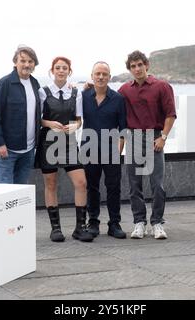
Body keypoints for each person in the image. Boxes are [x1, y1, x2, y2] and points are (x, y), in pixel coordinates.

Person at [118, 50, 176, 240]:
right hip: (133, 138)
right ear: (130, 69)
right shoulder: (125, 90)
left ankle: (157, 222)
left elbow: (170, 114)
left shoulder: (162, 86)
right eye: (133, 66)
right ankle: (139, 223)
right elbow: (110, 100)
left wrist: (163, 137)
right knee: (134, 185)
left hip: (155, 138)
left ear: (146, 65)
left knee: (157, 184)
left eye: (139, 65)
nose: (137, 69)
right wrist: (88, 87)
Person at [37, 56, 93, 243]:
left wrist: (76, 127)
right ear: (52, 71)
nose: (61, 70)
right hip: (49, 142)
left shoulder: (75, 93)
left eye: (64, 68)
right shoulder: (42, 92)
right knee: (51, 184)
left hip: (69, 143)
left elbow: (79, 119)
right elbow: (37, 119)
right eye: (58, 67)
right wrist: (48, 122)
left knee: (81, 182)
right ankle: (56, 229)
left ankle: (79, 228)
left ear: (69, 71)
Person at [82, 62, 127, 239]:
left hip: (111, 150)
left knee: (113, 188)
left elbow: (123, 129)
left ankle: (114, 224)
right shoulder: (83, 96)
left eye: (104, 74)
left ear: (109, 77)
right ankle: (93, 222)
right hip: (89, 148)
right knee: (91, 187)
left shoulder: (118, 99)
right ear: (92, 76)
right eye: (97, 73)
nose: (101, 77)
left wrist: (119, 151)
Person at [0, 45, 41, 184]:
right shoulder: (4, 83)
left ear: (34, 64)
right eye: (23, 61)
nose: (27, 64)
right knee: (4, 193)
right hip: (7, 150)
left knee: (20, 192)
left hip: (29, 150)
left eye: (30, 61)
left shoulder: (35, 83)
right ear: (15, 62)